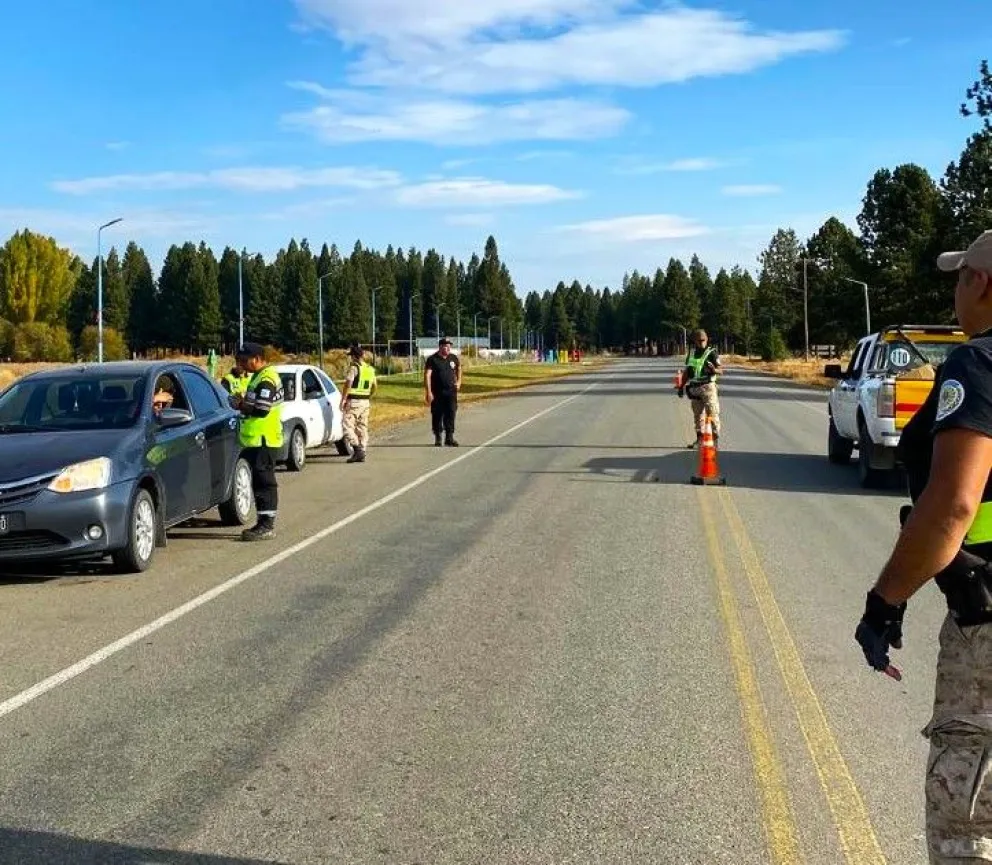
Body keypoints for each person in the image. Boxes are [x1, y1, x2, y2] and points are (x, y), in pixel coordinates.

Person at [854, 228, 992, 864]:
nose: (956, 292)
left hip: (986, 631)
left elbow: (953, 507)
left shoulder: (980, 363)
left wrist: (886, 601)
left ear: (981, 283)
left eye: (960, 277)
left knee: (969, 825)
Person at [229, 342, 284, 541]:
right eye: (239, 360)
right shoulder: (257, 377)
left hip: (264, 439)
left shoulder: (267, 379)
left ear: (258, 359)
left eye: (245, 360)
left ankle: (266, 525)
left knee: (264, 483)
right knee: (259, 482)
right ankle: (263, 522)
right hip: (257, 439)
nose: (242, 364)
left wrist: (241, 405)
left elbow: (262, 409)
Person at [679, 329, 722, 444]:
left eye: (703, 340)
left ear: (707, 340)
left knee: (712, 412)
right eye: (699, 341)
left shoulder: (712, 353)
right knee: (697, 415)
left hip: (708, 387)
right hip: (694, 388)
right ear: (695, 341)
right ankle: (699, 437)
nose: (701, 343)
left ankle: (715, 438)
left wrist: (714, 370)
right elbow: (687, 372)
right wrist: (681, 386)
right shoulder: (692, 354)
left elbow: (721, 370)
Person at [340, 343, 377, 463]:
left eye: (351, 356)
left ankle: (357, 449)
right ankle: (362, 449)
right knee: (362, 427)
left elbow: (348, 384)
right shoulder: (370, 369)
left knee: (347, 425)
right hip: (365, 401)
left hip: (354, 401)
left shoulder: (354, 367)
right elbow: (375, 386)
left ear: (355, 356)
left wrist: (343, 399)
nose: (350, 358)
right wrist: (368, 396)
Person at [424, 337, 462, 446]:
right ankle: (438, 437)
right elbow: (427, 375)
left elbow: (459, 369)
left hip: (451, 392)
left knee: (451, 413)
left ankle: (449, 437)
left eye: (449, 346)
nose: (448, 347)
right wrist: (428, 392)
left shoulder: (453, 358)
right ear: (440, 346)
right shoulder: (432, 359)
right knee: (437, 414)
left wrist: (459, 382)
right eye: (446, 345)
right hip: (437, 392)